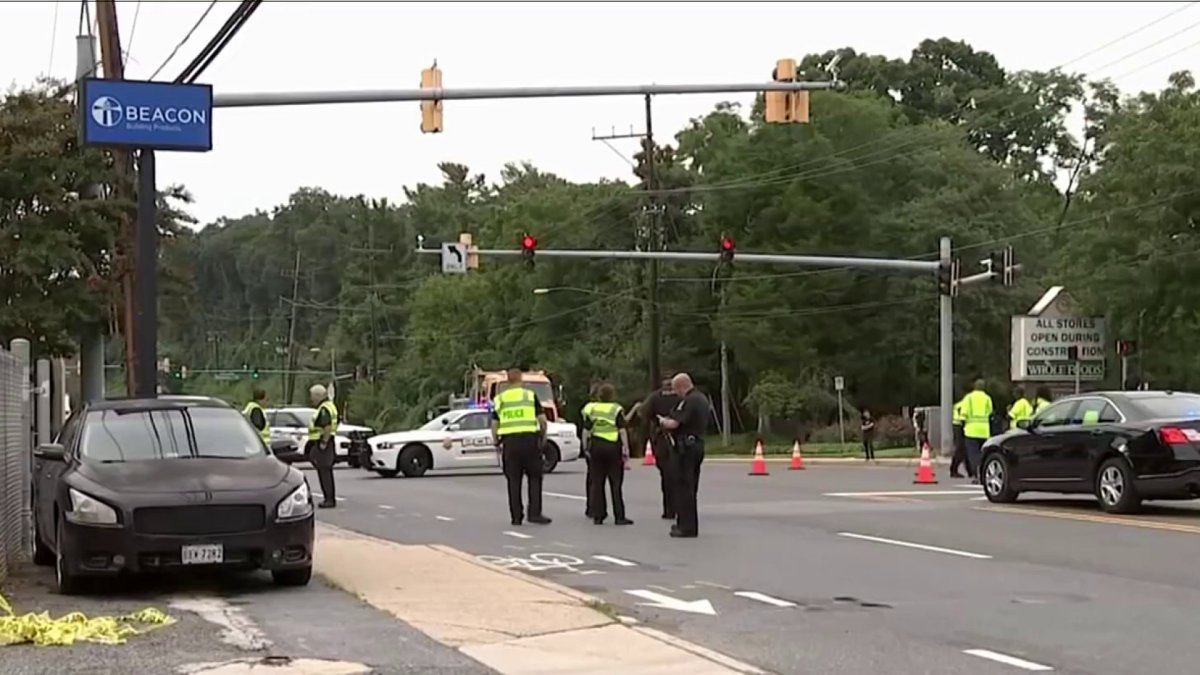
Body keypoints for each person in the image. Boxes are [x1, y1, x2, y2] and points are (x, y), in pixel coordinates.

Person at [491, 368, 551, 526]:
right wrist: (543, 437)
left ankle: (516, 517)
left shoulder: (500, 399)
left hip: (510, 443)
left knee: (513, 481)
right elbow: (543, 421)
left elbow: (494, 424)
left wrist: (496, 441)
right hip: (530, 441)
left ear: (508, 381)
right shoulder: (530, 396)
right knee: (535, 478)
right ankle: (535, 514)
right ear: (521, 379)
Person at [657, 373, 709, 538]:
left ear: (681, 386)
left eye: (675, 389)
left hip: (685, 448)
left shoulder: (688, 401)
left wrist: (662, 421)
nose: (675, 393)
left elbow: (675, 423)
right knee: (690, 487)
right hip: (697, 444)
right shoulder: (702, 399)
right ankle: (687, 523)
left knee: (683, 487)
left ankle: (686, 527)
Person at [581, 383, 633, 526]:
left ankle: (599, 515)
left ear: (599, 396)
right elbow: (622, 430)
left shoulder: (593, 409)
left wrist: (585, 447)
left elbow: (586, 430)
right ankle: (619, 516)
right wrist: (626, 449)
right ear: (612, 395)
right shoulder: (616, 409)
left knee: (598, 482)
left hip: (597, 446)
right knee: (616, 483)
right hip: (612, 447)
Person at [637, 377, 681, 521]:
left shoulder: (655, 397)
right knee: (683, 475)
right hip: (681, 437)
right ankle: (683, 508)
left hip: (662, 438)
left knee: (666, 475)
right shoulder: (683, 396)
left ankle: (669, 510)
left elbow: (643, 413)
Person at [306, 384, 339, 508]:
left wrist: (324, 443)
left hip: (323, 442)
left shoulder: (324, 409)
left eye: (312, 396)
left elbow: (327, 426)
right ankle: (329, 498)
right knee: (325, 471)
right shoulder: (330, 406)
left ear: (318, 396)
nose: (311, 399)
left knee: (324, 471)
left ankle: (329, 499)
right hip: (325, 442)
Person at [961, 378, 994, 484]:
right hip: (984, 431)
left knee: (973, 455)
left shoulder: (968, 398)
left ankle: (978, 475)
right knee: (983, 455)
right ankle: (985, 475)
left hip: (971, 430)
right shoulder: (987, 398)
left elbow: (963, 414)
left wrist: (962, 425)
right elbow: (990, 413)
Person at [949, 396, 968, 478]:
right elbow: (963, 417)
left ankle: (969, 471)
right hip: (960, 426)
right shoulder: (964, 404)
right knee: (961, 449)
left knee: (964, 450)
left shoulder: (959, 404)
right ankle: (953, 470)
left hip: (958, 426)